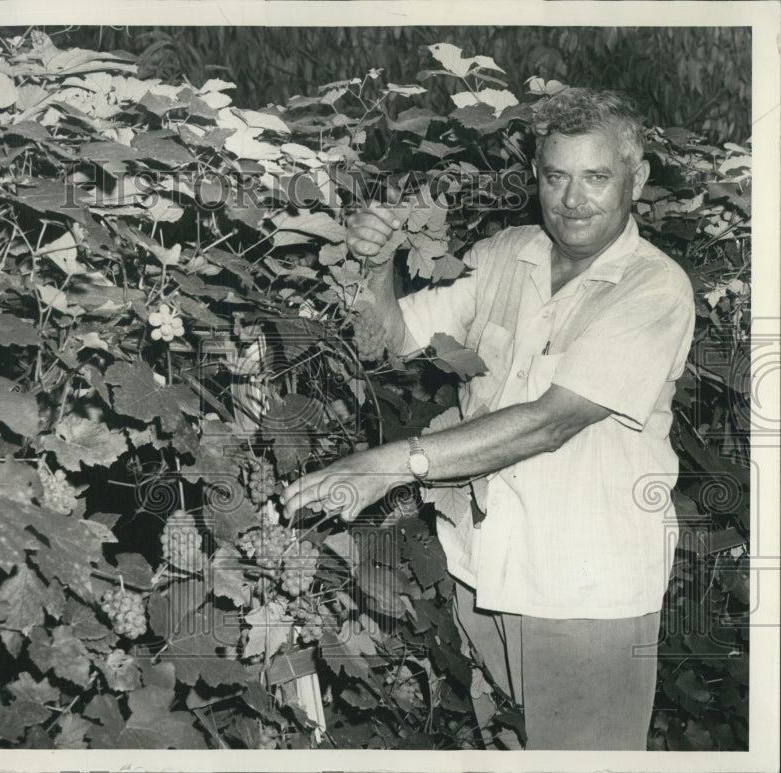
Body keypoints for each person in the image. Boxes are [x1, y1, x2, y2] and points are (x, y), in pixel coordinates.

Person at [280, 88, 696, 750]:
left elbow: (549, 421)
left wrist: (388, 465)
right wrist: (377, 262)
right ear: (538, 178)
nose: (573, 199)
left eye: (596, 177)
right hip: (483, 571)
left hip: (585, 591)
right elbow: (385, 345)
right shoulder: (507, 252)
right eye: (557, 177)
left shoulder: (655, 287)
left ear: (636, 178)